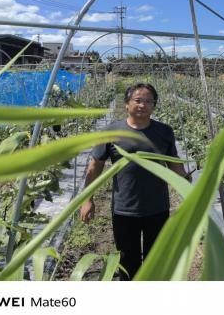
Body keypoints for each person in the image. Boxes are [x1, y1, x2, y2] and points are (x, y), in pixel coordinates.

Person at [79, 83, 189, 280]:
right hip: (124, 209)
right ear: (127, 104)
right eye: (138, 100)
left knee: (156, 259)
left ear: (154, 105)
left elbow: (174, 165)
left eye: (149, 101)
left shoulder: (164, 131)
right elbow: (95, 166)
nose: (143, 105)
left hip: (157, 208)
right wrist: (87, 199)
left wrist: (191, 190)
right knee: (127, 262)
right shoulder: (111, 131)